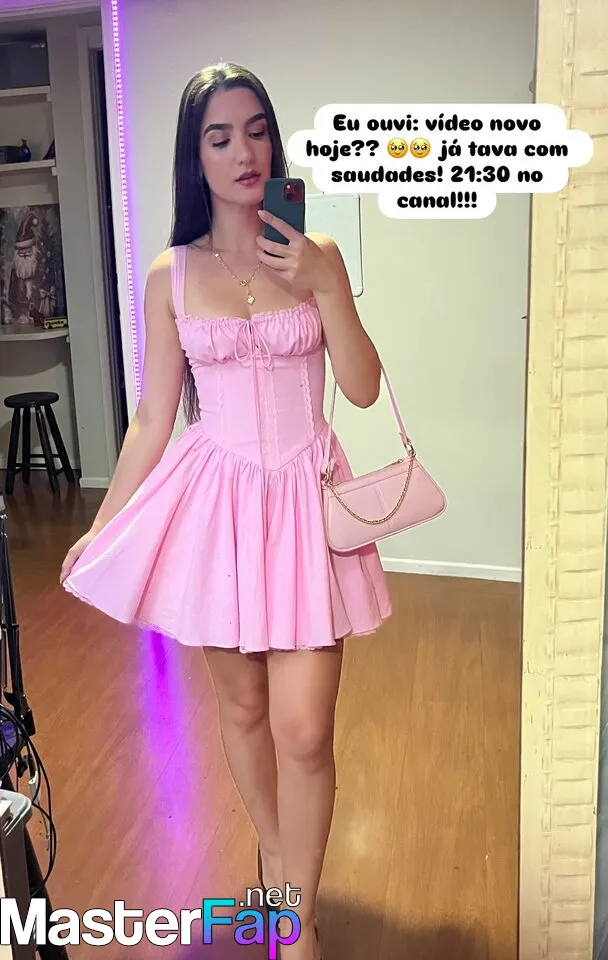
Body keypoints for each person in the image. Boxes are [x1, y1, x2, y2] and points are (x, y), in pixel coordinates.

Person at [60, 62, 392, 959]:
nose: (244, 151)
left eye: (256, 130)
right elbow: (153, 418)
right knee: (243, 713)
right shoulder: (171, 274)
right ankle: (284, 873)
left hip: (306, 503)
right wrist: (104, 524)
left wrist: (328, 289)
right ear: (195, 157)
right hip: (220, 510)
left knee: (305, 729)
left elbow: (362, 389)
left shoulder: (316, 255)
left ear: (274, 143)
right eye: (220, 137)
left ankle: (299, 916)